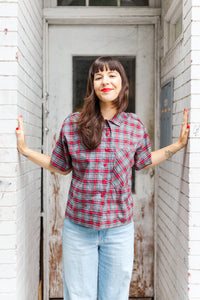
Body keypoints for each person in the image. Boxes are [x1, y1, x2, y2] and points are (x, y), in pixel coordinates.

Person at [16, 56, 190, 300]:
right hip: (79, 228)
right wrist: (25, 150)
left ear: (122, 83)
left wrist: (179, 145)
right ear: (92, 85)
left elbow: (143, 161)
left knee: (115, 295)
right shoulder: (73, 124)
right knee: (78, 295)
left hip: (119, 230)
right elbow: (60, 166)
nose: (105, 81)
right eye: (99, 76)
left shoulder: (134, 125)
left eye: (112, 75)